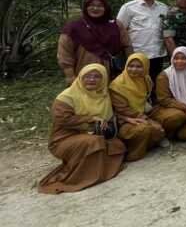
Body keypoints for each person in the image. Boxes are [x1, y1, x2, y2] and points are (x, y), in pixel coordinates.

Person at [38, 64, 126, 194]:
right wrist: (90, 119)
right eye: (88, 76)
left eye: (97, 76)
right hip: (63, 138)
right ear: (80, 77)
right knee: (93, 142)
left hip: (94, 134)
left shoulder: (103, 94)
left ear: (103, 80)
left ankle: (98, 172)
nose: (92, 80)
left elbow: (113, 115)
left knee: (116, 144)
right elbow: (63, 119)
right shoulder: (67, 97)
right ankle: (81, 177)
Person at [58, 0, 132, 83]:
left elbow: (127, 45)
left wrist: (131, 66)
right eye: (91, 5)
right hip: (85, 72)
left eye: (100, 6)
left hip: (112, 72)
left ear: (106, 8)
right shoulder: (73, 28)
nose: (95, 8)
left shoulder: (115, 25)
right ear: (85, 7)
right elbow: (65, 53)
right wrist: (70, 75)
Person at [109, 53, 166, 161]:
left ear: (145, 67)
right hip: (124, 120)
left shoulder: (146, 78)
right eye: (130, 66)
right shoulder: (117, 86)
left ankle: (149, 142)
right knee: (144, 128)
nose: (134, 70)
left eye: (139, 66)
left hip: (145, 111)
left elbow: (149, 98)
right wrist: (147, 120)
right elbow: (123, 110)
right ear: (125, 66)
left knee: (169, 118)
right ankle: (133, 154)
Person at [116, 0, 169, 82]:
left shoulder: (163, 8)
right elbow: (120, 31)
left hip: (157, 54)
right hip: (136, 55)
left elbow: (166, 31)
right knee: (135, 83)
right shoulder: (128, 7)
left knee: (154, 82)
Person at [149, 46, 186, 141]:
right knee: (177, 116)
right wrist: (185, 108)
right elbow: (164, 100)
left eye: (183, 58)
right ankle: (162, 133)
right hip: (167, 109)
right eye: (176, 58)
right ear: (172, 59)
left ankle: (175, 130)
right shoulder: (164, 76)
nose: (179, 61)